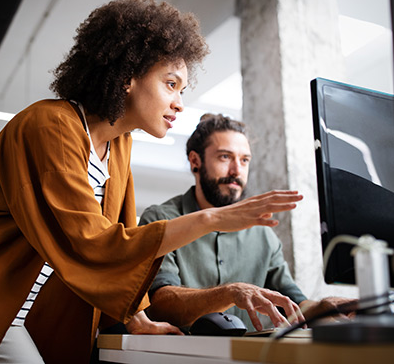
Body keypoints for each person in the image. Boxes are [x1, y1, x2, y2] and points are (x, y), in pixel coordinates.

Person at [0, 0, 303, 364]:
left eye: (181, 90)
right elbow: (92, 243)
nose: (178, 102)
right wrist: (212, 220)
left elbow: (119, 241)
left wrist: (135, 317)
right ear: (127, 76)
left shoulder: (119, 145)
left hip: (1, 305)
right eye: (170, 83)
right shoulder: (51, 125)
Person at [141, 113, 350, 332]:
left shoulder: (263, 233)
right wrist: (230, 293)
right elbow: (159, 304)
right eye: (224, 157)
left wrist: (324, 307)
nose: (236, 171)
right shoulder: (160, 220)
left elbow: (293, 302)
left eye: (244, 160)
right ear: (195, 161)